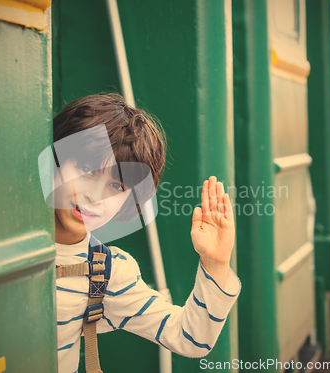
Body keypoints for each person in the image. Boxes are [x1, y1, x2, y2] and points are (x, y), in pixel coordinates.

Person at [49, 93, 240, 373]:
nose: (95, 197)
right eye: (87, 169)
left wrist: (216, 262)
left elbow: (190, 339)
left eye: (116, 186)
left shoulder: (106, 271)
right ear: (55, 159)